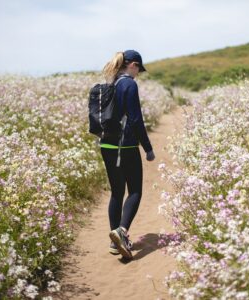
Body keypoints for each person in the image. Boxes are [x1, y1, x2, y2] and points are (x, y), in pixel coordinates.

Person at [100, 50, 155, 259]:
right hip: (126, 146)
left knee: (116, 192)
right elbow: (135, 119)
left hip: (107, 145)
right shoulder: (128, 84)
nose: (138, 73)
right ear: (131, 65)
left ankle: (114, 242)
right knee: (135, 191)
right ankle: (121, 232)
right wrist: (147, 148)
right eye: (138, 68)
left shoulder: (109, 84)